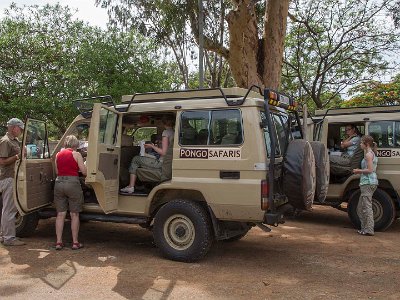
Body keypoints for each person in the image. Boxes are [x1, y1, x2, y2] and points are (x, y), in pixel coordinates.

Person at [120, 115, 175, 194]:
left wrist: (151, 146)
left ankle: (131, 186)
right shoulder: (174, 132)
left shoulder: (166, 133)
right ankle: (136, 185)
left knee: (136, 159)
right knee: (142, 157)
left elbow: (164, 152)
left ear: (163, 123)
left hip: (161, 163)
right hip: (166, 162)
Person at [54, 135, 87, 250]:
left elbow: (57, 171)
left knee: (60, 214)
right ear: (75, 145)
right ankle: (75, 242)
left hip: (59, 183)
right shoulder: (77, 154)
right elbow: (84, 172)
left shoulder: (58, 154)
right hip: (73, 183)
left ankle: (58, 242)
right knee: (74, 214)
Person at [0, 118, 25, 246]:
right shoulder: (6, 141)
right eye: (20, 129)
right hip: (8, 178)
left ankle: (4, 235)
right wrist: (17, 156)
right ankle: (9, 238)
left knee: (8, 208)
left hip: (12, 177)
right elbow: (2, 161)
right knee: (9, 208)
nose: (21, 131)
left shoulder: (14, 141)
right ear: (14, 127)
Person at [353, 135, 378, 236]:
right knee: (360, 208)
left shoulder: (368, 155)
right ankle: (364, 228)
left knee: (366, 207)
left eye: (361, 143)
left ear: (366, 144)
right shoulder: (372, 153)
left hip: (367, 183)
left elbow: (370, 170)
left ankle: (369, 229)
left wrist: (358, 171)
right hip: (369, 183)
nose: (360, 144)